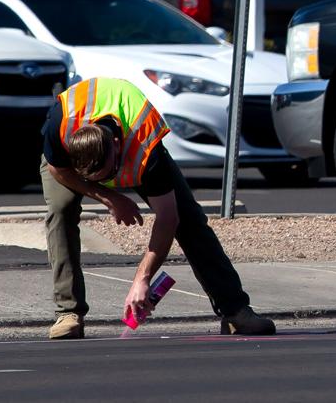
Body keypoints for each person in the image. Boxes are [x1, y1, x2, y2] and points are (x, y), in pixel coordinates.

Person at [40, 77, 275, 339]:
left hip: (137, 141)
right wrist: (109, 197)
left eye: (109, 173)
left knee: (188, 219)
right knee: (60, 211)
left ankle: (235, 311)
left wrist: (142, 279)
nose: (106, 181)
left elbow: (167, 218)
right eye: (93, 178)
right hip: (69, 152)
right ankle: (68, 313)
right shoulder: (60, 125)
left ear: (116, 147)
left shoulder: (145, 143)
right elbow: (58, 170)